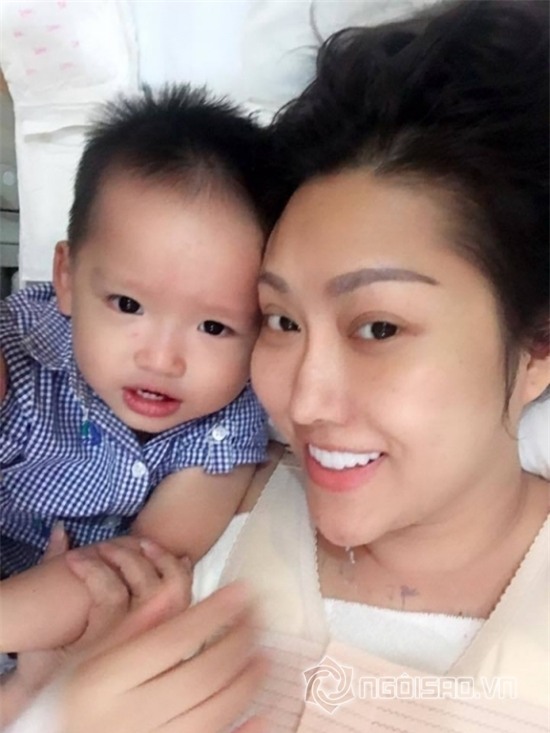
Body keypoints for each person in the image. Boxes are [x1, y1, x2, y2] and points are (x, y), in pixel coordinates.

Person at [6, 0, 550, 731]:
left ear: (537, 344)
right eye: (280, 320)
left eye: (379, 327)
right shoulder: (178, 540)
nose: (304, 400)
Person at [0, 85, 274, 653]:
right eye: (128, 305)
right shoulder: (22, 343)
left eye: (214, 327)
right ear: (67, 278)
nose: (160, 360)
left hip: (54, 637)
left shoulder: (223, 429)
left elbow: (131, 571)